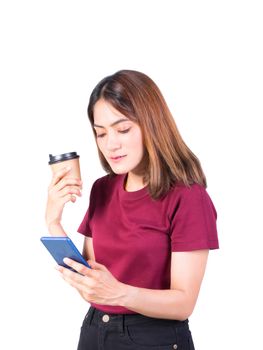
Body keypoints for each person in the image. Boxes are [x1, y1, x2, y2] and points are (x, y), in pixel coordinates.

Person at [45, 69, 219, 350]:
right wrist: (53, 220)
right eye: (100, 134)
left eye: (122, 129)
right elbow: (93, 284)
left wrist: (119, 294)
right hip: (93, 332)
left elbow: (184, 303)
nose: (110, 144)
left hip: (153, 339)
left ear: (152, 125)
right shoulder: (103, 189)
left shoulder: (187, 197)